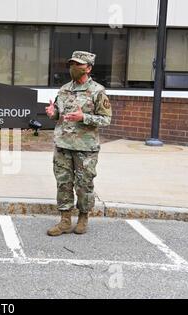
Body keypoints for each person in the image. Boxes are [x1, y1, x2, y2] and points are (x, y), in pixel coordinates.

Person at [45, 51, 112, 236]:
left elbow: (106, 120)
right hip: (63, 145)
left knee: (84, 186)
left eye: (78, 65)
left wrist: (84, 117)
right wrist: (52, 113)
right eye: (72, 64)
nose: (73, 68)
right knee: (63, 184)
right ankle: (65, 221)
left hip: (85, 148)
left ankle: (83, 217)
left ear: (88, 68)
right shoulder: (64, 89)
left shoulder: (98, 91)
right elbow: (58, 113)